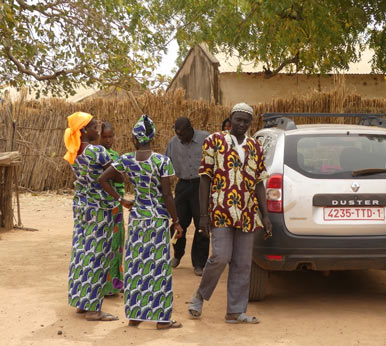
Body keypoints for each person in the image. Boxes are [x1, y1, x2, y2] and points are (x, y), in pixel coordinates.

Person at [188, 103, 272, 324]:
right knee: (220, 257)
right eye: (238, 120)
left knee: (243, 263)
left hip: (247, 212)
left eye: (246, 121)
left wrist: (265, 215)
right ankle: (200, 295)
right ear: (231, 119)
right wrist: (204, 214)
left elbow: (259, 183)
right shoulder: (214, 141)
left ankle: (235, 311)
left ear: (250, 123)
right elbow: (205, 177)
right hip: (221, 209)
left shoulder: (255, 146)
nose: (241, 124)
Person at [98, 115, 183, 329]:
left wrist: (121, 200)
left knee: (137, 266)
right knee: (159, 268)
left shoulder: (126, 160)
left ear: (135, 139)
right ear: (152, 137)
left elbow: (103, 179)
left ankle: (136, 315)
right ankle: (162, 319)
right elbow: (167, 194)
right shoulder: (161, 161)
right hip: (157, 220)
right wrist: (177, 221)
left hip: (137, 219)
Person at [63, 112, 118, 322]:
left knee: (81, 253)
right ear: (85, 130)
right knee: (98, 256)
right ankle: (94, 309)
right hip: (99, 209)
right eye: (95, 126)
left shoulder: (74, 151)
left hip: (81, 207)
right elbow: (114, 174)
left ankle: (81, 302)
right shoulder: (98, 152)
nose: (99, 129)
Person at [165, 117, 211, 275]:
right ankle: (178, 254)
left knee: (201, 226)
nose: (180, 138)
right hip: (183, 185)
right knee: (177, 224)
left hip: (201, 186)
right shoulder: (173, 143)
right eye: (178, 135)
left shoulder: (206, 138)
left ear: (191, 129)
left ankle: (199, 263)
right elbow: (165, 165)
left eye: (183, 134)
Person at [97, 122, 126, 297]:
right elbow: (119, 177)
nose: (108, 140)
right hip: (105, 205)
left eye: (110, 136)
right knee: (105, 245)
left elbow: (121, 179)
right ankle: (105, 286)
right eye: (105, 137)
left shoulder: (115, 155)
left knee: (117, 244)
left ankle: (116, 282)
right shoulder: (99, 155)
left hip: (117, 206)